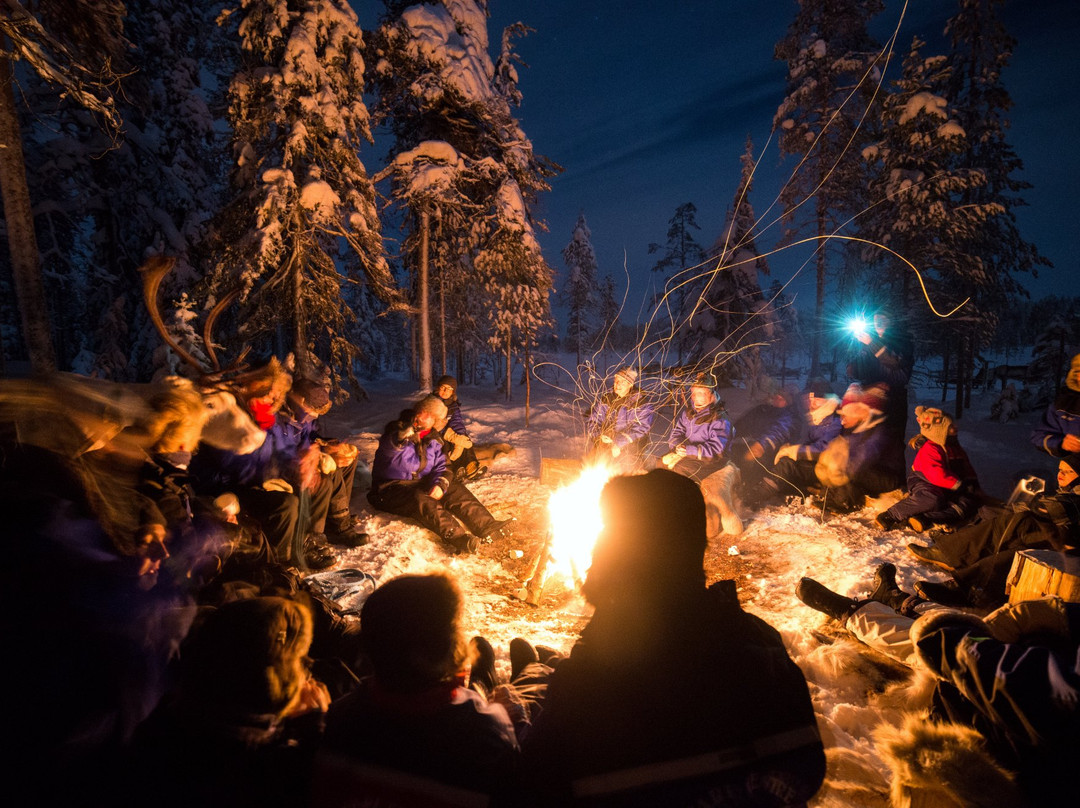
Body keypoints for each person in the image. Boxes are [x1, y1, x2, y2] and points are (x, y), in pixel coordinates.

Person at [518, 469, 825, 806]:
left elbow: (527, 788)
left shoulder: (589, 688)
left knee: (529, 691)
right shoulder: (759, 648)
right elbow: (806, 769)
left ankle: (530, 679)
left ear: (614, 556)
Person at [796, 568, 1077, 806]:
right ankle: (901, 600)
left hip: (1000, 755)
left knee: (924, 645)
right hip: (1037, 681)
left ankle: (854, 613)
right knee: (965, 627)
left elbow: (1028, 683)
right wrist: (1060, 616)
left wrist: (972, 641)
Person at [317, 573, 519, 801]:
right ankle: (487, 684)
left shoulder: (339, 720)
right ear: (448, 649)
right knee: (522, 697)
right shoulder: (486, 737)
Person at [125, 597, 330, 808]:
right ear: (274, 676)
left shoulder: (169, 715)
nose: (308, 667)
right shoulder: (264, 768)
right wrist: (314, 727)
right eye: (298, 658)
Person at [191, 365, 337, 571]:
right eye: (268, 392)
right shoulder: (232, 418)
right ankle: (277, 567)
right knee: (286, 504)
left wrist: (302, 462)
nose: (274, 398)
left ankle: (307, 543)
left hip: (255, 479)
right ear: (251, 389)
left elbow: (278, 451)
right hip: (227, 489)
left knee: (316, 483)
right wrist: (277, 475)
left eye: (277, 394)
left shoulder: (264, 416)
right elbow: (236, 466)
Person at [905, 454, 1080, 609]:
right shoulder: (1067, 493)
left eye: (1069, 471)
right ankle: (954, 555)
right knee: (1014, 521)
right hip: (1057, 541)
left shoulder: (1074, 499)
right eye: (1060, 469)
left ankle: (970, 588)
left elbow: (1053, 509)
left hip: (1070, 554)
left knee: (1020, 543)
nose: (1060, 474)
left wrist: (1029, 505)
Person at [368, 395, 512, 554]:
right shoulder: (396, 433)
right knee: (421, 499)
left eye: (437, 417)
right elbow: (392, 447)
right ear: (421, 412)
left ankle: (487, 526)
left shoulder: (434, 438)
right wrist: (407, 433)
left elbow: (444, 467)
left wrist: (440, 484)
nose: (440, 421)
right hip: (390, 489)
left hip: (421, 481)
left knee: (454, 488)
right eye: (426, 413)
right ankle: (459, 538)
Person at [280, 378, 368, 549]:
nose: (314, 416)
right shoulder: (282, 418)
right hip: (288, 469)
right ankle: (337, 526)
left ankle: (337, 516)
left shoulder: (304, 415)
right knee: (329, 470)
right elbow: (279, 451)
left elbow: (311, 436)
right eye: (312, 411)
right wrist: (310, 457)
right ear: (301, 400)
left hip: (303, 458)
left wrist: (327, 445)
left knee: (348, 460)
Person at [873, 405, 982, 532]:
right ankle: (891, 515)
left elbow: (966, 466)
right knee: (932, 499)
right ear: (939, 431)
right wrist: (957, 484)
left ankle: (924, 519)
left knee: (966, 503)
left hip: (947, 485)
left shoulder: (954, 447)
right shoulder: (930, 449)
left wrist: (973, 483)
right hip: (924, 481)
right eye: (950, 427)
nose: (956, 427)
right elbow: (936, 473)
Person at [661, 372, 742, 537]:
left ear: (711, 396)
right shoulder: (688, 414)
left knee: (680, 470)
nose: (697, 398)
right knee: (659, 465)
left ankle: (686, 511)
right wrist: (677, 446)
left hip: (713, 460)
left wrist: (689, 450)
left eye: (702, 394)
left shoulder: (719, 418)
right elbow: (676, 434)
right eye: (695, 393)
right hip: (689, 453)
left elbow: (717, 448)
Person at [750, 377, 843, 506]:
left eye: (817, 401)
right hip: (804, 462)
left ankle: (756, 496)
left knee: (787, 463)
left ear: (828, 401)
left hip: (821, 466)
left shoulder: (835, 422)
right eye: (810, 400)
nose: (812, 404)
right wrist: (766, 443)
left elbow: (824, 449)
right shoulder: (808, 416)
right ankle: (755, 485)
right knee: (774, 458)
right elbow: (784, 427)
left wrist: (795, 451)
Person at [847, 310, 914, 483]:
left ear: (891, 321)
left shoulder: (902, 340)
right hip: (872, 399)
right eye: (876, 319)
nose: (878, 323)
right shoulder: (868, 345)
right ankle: (871, 483)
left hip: (894, 401)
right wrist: (857, 355)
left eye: (883, 319)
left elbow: (894, 361)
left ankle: (896, 484)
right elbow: (856, 372)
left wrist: (871, 343)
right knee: (870, 441)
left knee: (893, 443)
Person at [730, 377, 797, 490]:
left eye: (781, 399)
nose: (777, 399)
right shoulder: (762, 409)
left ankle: (747, 491)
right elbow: (742, 423)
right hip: (747, 442)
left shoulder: (787, 415)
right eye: (776, 397)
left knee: (752, 461)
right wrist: (729, 434)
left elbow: (778, 431)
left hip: (767, 450)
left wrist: (762, 445)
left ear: (788, 402)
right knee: (730, 454)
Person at [583, 367, 655, 473]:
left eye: (622, 382)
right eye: (616, 381)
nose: (617, 384)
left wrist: (618, 443)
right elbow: (594, 420)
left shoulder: (641, 402)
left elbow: (642, 428)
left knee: (625, 467)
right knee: (593, 463)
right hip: (607, 441)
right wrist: (599, 435)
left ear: (630, 384)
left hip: (631, 445)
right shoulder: (606, 398)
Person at [434, 375, 487, 480]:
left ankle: (470, 466)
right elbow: (431, 422)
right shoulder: (432, 402)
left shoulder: (453, 406)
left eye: (449, 389)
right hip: (436, 433)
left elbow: (457, 422)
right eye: (443, 387)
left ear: (453, 392)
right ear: (438, 388)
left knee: (464, 440)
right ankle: (454, 470)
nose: (445, 391)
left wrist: (460, 436)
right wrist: (450, 435)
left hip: (449, 432)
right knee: (447, 446)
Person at [1030, 352, 1080, 458]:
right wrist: (1062, 444)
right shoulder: (1064, 404)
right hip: (1071, 470)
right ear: (1076, 375)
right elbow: (1039, 437)